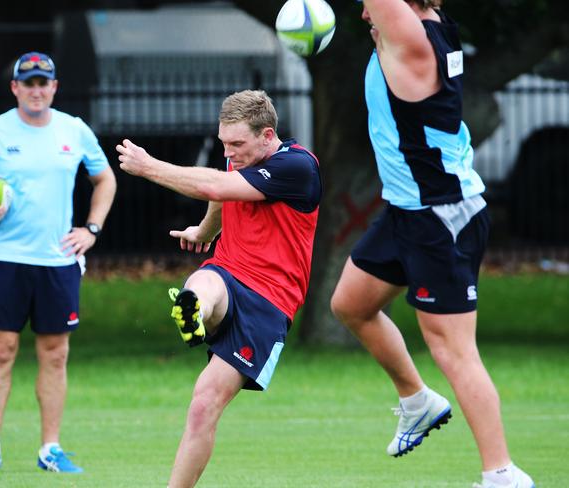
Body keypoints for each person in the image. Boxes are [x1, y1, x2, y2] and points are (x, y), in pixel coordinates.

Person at [330, 2, 534, 488]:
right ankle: (418, 401)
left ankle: (502, 473)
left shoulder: (413, 39)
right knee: (350, 305)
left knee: (454, 350)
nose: (363, 14)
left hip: (441, 217)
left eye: (368, 7)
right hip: (409, 210)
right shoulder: (426, 26)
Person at [117, 89, 322, 488]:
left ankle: (196, 307)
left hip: (268, 301)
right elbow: (224, 188)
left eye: (238, 144)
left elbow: (215, 185)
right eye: (225, 143)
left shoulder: (298, 167)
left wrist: (148, 166)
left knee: (205, 406)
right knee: (206, 282)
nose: (230, 152)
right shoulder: (241, 156)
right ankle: (193, 307)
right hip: (229, 272)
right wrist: (205, 231)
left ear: (267, 135)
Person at [0, 51, 117, 474]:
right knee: (0, 351)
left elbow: (105, 178)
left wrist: (90, 229)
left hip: (59, 261)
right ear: (15, 88)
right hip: (9, 259)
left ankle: (50, 449)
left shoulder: (73, 130)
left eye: (44, 83)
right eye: (29, 83)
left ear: (54, 88)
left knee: (55, 354)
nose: (36, 90)